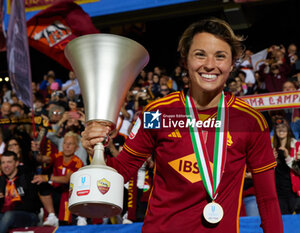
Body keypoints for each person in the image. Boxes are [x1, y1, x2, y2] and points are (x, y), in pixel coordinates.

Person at [81, 18, 283, 233]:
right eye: (200, 54)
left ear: (232, 64)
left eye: (220, 56)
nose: (209, 65)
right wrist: (97, 150)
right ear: (185, 61)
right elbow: (119, 173)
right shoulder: (156, 113)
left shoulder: (251, 121)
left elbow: (268, 199)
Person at [272, 118, 300, 214]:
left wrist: (288, 157)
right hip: (278, 194)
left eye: (283, 127)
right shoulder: (271, 148)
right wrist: (273, 162)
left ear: (288, 129)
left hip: (296, 194)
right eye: (278, 128)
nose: (281, 130)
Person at [0, 151, 40, 233]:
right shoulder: (1, 181)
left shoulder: (27, 178)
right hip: (5, 215)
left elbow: (32, 205)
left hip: (29, 215)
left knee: (9, 215)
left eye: (9, 162)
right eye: (3, 162)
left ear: (17, 163)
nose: (5, 165)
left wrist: (12, 205)